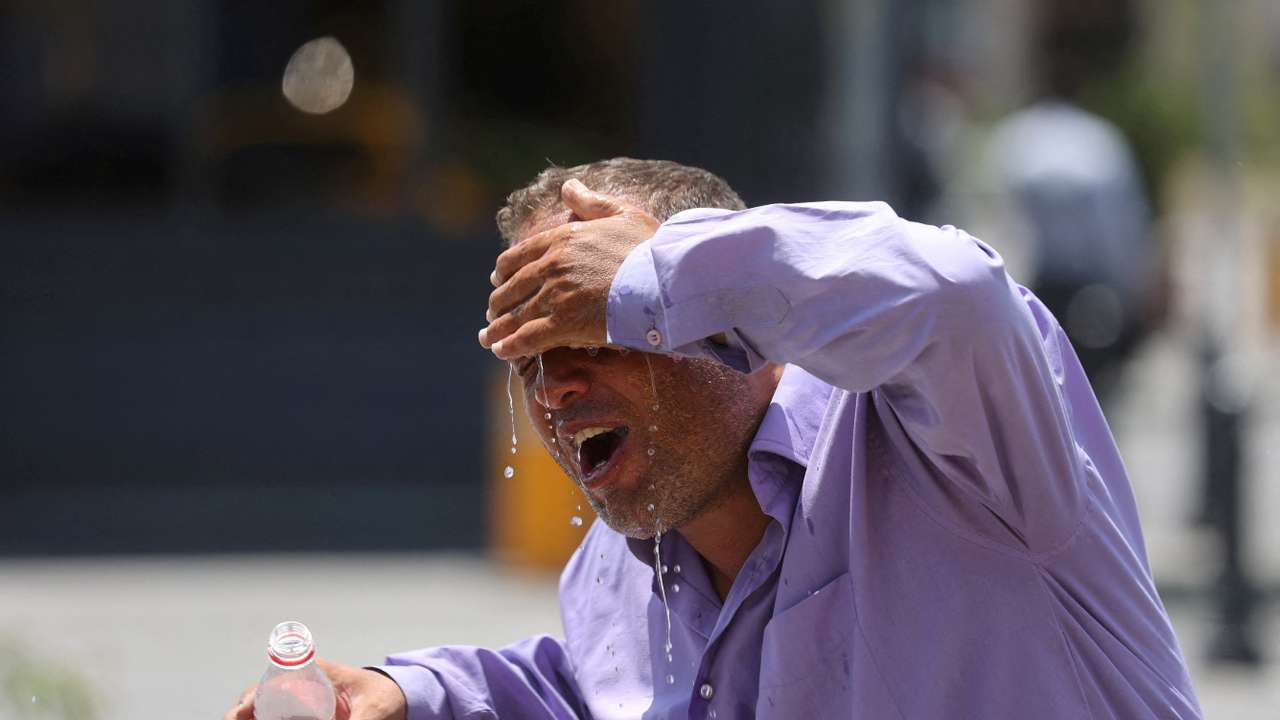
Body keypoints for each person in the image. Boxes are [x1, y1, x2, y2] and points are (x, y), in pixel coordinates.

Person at [226, 158, 1200, 719]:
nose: (553, 388)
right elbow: (596, 693)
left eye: (596, 330)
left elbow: (957, 293)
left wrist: (665, 268)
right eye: (529, 358)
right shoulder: (617, 569)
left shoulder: (950, 446)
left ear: (727, 319)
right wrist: (407, 695)